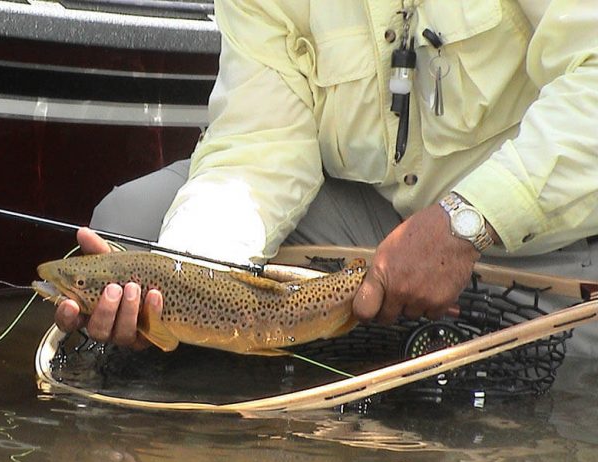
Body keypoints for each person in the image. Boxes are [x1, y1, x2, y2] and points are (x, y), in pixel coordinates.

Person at [56, 0, 598, 357]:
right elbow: (259, 145)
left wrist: (468, 220)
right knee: (133, 233)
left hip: (551, 244)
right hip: (378, 230)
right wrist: (179, 288)